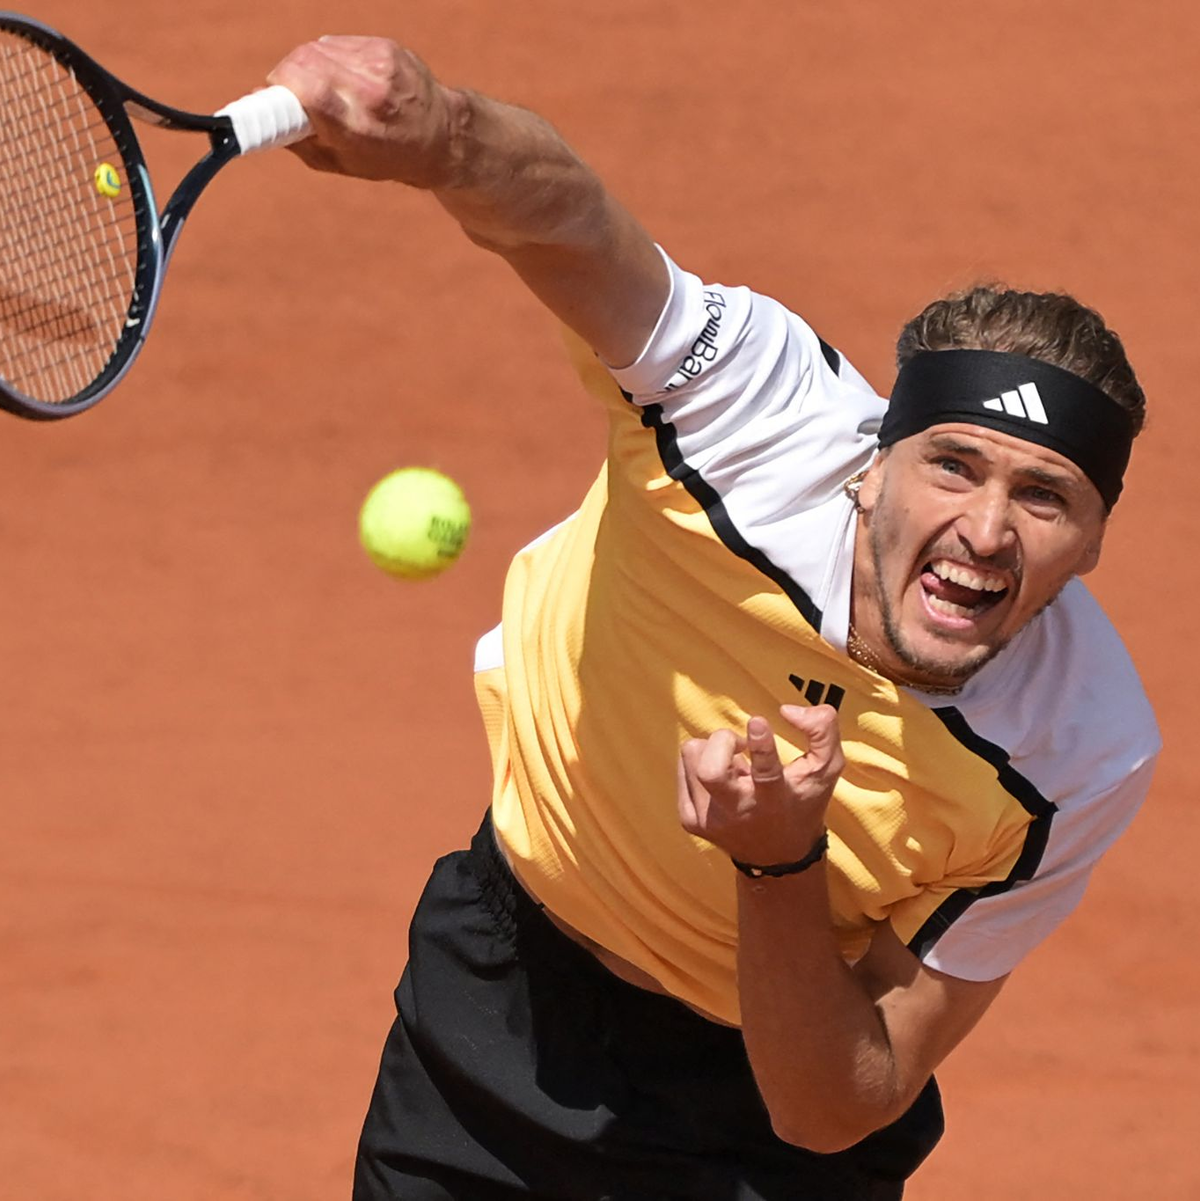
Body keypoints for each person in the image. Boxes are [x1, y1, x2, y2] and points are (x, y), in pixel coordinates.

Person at [267, 36, 1160, 1201]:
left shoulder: (1078, 750)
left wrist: (778, 864)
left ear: (1093, 546)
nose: (987, 530)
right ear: (873, 467)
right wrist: (440, 131)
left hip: (761, 1122)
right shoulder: (751, 420)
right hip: (502, 1001)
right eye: (953, 466)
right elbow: (576, 230)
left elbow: (836, 1102)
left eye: (1045, 497)